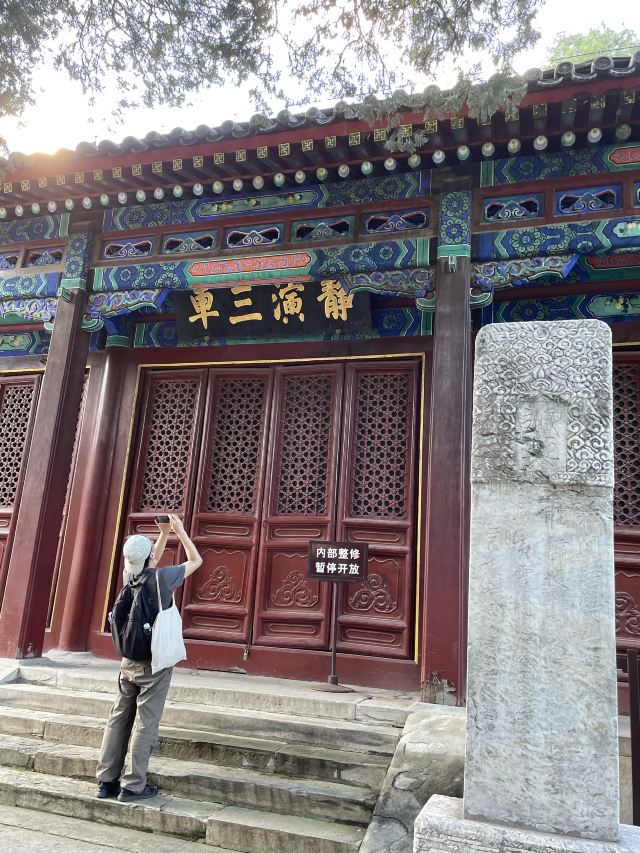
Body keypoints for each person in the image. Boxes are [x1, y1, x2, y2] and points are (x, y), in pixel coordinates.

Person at [95, 513, 202, 802]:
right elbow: (196, 561)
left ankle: (106, 781)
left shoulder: (128, 576)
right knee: (145, 723)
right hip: (154, 664)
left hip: (127, 662)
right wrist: (179, 532)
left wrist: (163, 534)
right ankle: (133, 785)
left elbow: (148, 561)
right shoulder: (163, 578)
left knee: (118, 718)